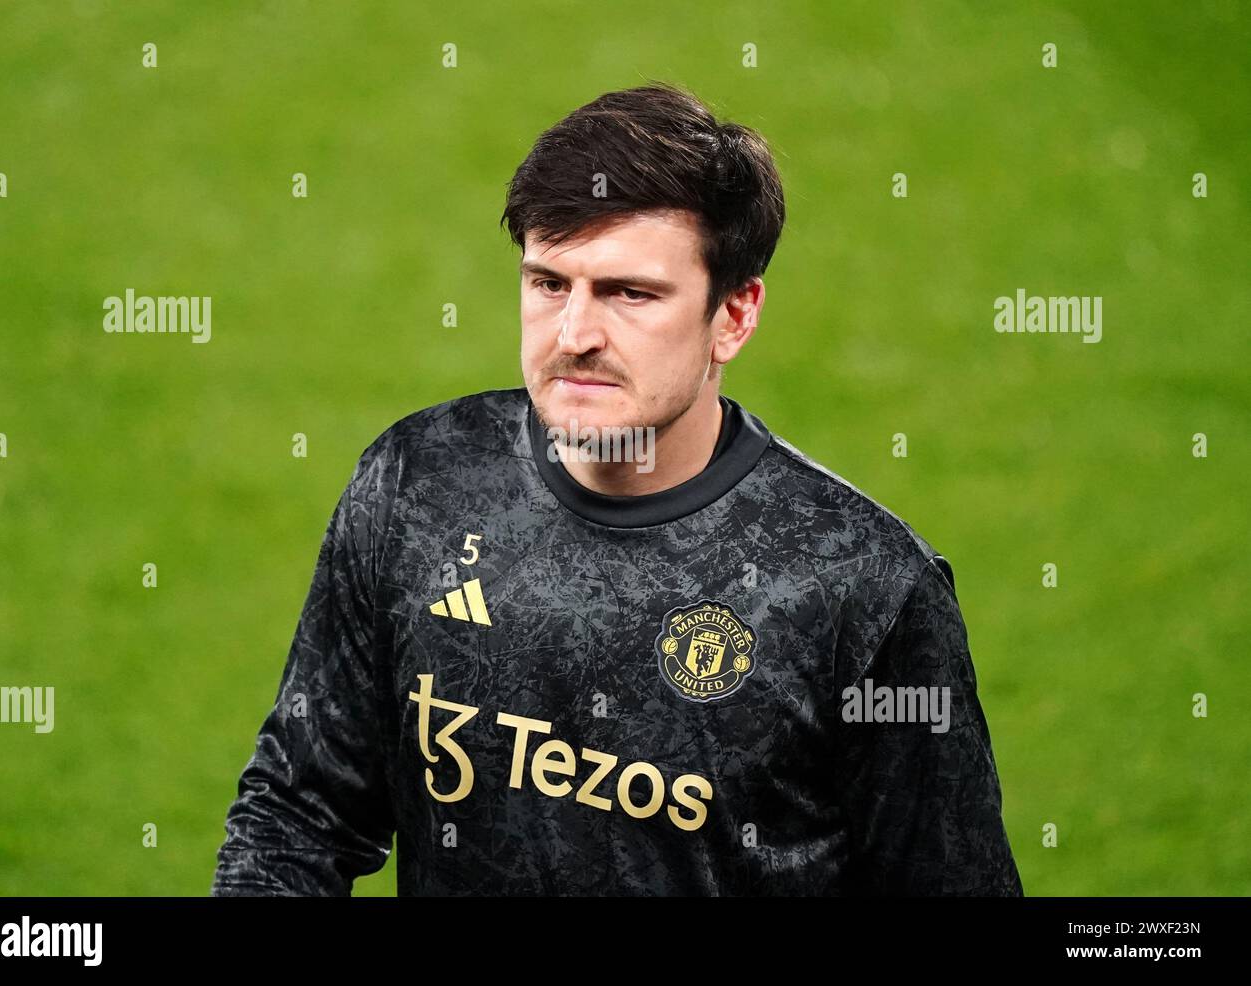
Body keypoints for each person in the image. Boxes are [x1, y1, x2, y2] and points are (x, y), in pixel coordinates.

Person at [211, 81, 1023, 896]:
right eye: (549, 284)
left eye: (629, 294)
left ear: (735, 316)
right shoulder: (419, 483)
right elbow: (299, 813)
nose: (575, 336)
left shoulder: (862, 587)